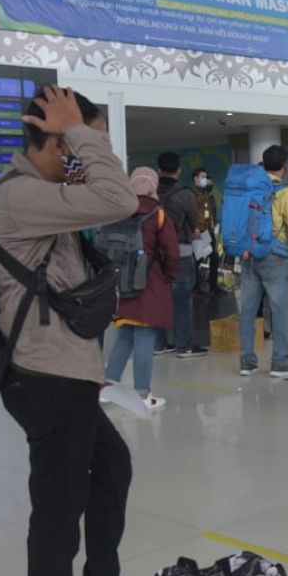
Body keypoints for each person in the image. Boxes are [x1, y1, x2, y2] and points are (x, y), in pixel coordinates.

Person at [0, 85, 138, 576]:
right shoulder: (22, 195)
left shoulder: (43, 192)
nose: (96, 147)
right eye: (91, 137)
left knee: (110, 466)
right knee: (59, 497)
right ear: (59, 136)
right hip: (46, 375)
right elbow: (120, 198)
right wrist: (77, 130)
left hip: (63, 369)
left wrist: (75, 136)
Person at [103, 168, 179, 411]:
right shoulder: (157, 213)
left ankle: (107, 388)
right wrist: (169, 276)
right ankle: (142, 394)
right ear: (153, 186)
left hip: (121, 282)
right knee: (145, 336)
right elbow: (171, 251)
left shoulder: (118, 210)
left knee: (125, 336)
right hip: (149, 283)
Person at [237, 145, 288, 378]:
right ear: (284, 166)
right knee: (280, 310)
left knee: (249, 310)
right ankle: (280, 362)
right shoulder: (285, 191)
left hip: (248, 254)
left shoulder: (248, 189)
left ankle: (247, 362)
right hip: (275, 256)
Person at [156, 152, 207, 358]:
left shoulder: (151, 193)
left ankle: (159, 344)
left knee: (158, 299)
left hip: (154, 254)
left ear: (158, 169)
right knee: (182, 300)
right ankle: (183, 345)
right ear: (179, 170)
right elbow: (196, 222)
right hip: (180, 252)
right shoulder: (185, 194)